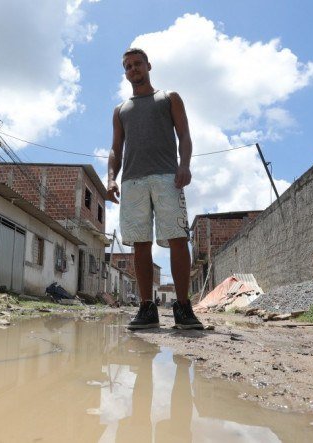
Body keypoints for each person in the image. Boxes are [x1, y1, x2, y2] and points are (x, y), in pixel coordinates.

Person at [106, 48, 204, 330]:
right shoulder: (120, 110)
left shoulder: (168, 98)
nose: (133, 69)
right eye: (128, 66)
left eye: (137, 64)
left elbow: (184, 134)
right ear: (125, 73)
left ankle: (183, 308)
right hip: (132, 182)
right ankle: (147, 308)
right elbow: (115, 149)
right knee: (139, 244)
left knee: (177, 237)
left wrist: (184, 165)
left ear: (149, 66)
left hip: (166, 178)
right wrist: (112, 178)